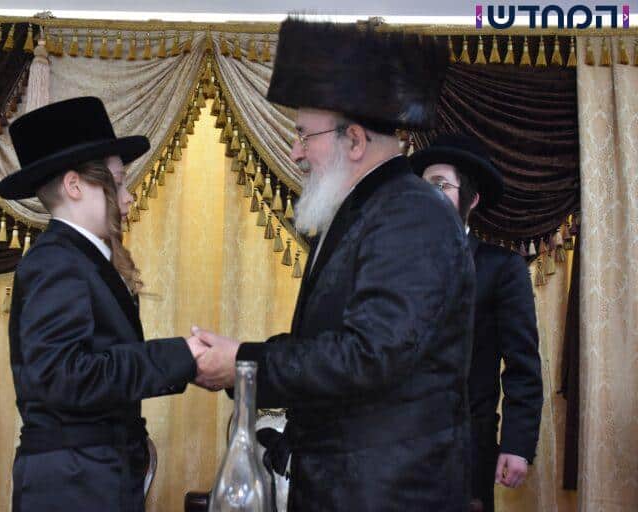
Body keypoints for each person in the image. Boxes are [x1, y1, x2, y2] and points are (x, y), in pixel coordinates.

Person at [191, 19, 475, 511]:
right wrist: (244, 361)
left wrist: (244, 364)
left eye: (304, 135)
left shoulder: (411, 215)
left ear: (355, 141)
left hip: (386, 495)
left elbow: (369, 354)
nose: (295, 153)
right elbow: (329, 344)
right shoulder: (367, 210)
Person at [0, 96, 206, 511]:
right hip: (73, 487)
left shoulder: (78, 258)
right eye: (119, 182)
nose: (128, 198)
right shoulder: (56, 261)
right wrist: (181, 356)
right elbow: (63, 376)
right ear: (74, 186)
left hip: (91, 478)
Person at [410, 133, 543, 512]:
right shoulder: (395, 263)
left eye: (440, 185)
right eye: (423, 186)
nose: (428, 196)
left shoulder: (501, 269)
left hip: (467, 446)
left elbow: (522, 365)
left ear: (472, 199)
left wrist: (516, 445)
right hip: (396, 444)